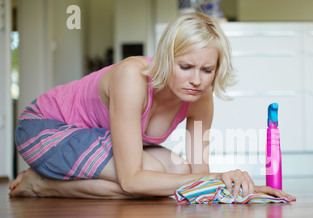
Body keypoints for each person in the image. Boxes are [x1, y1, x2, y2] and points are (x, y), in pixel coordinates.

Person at [8, 12, 296, 202]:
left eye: (207, 70)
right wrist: (213, 178)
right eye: (185, 67)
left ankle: (46, 183)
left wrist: (244, 188)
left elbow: (199, 174)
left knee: (179, 173)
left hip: (95, 137)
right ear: (166, 58)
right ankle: (41, 185)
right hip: (44, 129)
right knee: (147, 178)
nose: (196, 80)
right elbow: (133, 180)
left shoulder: (201, 96)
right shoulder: (132, 77)